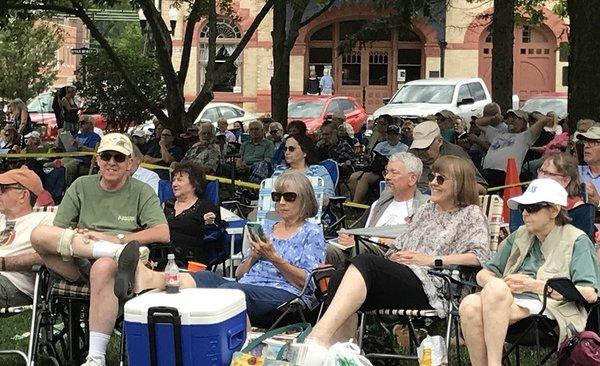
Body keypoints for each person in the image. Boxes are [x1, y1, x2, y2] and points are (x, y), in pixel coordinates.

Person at [308, 155, 491, 348]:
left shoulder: (471, 214)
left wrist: (430, 260)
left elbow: (479, 257)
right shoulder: (426, 210)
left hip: (433, 285)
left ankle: (317, 337)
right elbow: (401, 243)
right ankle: (340, 351)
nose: (433, 183)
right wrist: (395, 253)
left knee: (366, 263)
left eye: (440, 179)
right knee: (339, 276)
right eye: (432, 177)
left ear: (460, 184)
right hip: (404, 275)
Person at [30, 133, 169, 366]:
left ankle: (96, 357)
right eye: (106, 156)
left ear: (130, 164)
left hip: (118, 270)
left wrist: (117, 239)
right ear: (97, 159)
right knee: (38, 234)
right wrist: (90, 242)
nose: (112, 162)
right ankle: (109, 250)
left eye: (119, 157)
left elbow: (162, 232)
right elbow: (58, 231)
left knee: (104, 265)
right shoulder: (81, 185)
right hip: (78, 260)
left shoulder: (142, 191)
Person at [116, 171, 326, 323]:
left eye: (289, 197)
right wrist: (254, 255)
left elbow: (306, 284)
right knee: (205, 277)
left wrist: (274, 258)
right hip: (249, 285)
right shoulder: (268, 227)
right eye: (276, 196)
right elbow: (240, 273)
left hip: (286, 293)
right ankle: (148, 278)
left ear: (304, 200)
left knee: (228, 292)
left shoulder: (311, 232)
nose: (281, 202)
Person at [459, 179, 599, 366]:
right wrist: (498, 284)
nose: (524, 213)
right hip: (505, 299)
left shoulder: (577, 241)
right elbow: (483, 274)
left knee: (478, 303)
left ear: (554, 210)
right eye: (522, 208)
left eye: (532, 208)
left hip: (551, 309)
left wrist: (534, 286)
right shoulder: (520, 235)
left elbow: (590, 293)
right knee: (470, 304)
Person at [326, 152, 429, 268]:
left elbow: (423, 244)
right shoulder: (378, 204)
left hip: (391, 259)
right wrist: (349, 236)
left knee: (362, 252)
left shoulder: (424, 207)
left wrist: (395, 243)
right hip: (362, 249)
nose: (387, 177)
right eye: (386, 171)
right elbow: (363, 232)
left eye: (394, 173)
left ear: (412, 179)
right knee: (327, 251)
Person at [0, 168, 54, 314]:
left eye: (3, 189)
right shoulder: (1, 218)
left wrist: (4, 263)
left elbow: (49, 256)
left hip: (14, 285)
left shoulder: (45, 220)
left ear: (23, 195)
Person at [477, 109, 555, 193]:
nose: (511, 120)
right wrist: (494, 118)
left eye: (515, 118)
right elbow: (478, 122)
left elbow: (544, 120)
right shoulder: (497, 134)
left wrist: (531, 114)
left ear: (524, 122)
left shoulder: (526, 136)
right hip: (487, 172)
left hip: (506, 175)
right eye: (509, 117)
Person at [164, 162, 223, 263]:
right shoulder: (166, 205)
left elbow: (217, 230)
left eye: (179, 180)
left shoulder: (205, 207)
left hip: (190, 259)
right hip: (162, 254)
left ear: (194, 184)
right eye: (173, 180)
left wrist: (209, 223)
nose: (174, 184)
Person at [409, 121, 488, 194]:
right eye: (417, 148)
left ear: (440, 141)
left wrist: (451, 188)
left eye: (426, 147)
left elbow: (481, 188)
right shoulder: (412, 154)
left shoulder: (456, 155)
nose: (420, 152)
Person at [349, 124, 408, 203]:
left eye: (394, 134)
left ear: (399, 135)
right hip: (374, 168)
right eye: (389, 134)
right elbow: (372, 158)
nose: (391, 136)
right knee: (353, 176)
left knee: (365, 177)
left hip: (388, 171)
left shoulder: (404, 148)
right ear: (386, 134)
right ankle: (358, 202)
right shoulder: (380, 145)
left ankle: (355, 203)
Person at [272, 134, 335, 200]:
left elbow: (328, 196)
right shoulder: (279, 170)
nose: (286, 153)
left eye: (291, 149)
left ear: (305, 152)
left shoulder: (318, 171)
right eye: (285, 149)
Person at [60, 115, 101, 186]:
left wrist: (80, 146)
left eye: (82, 122)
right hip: (71, 156)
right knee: (55, 164)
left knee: (68, 167)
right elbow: (67, 148)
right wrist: (61, 138)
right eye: (79, 123)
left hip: (83, 161)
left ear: (90, 124)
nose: (80, 125)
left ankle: (67, 187)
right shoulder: (77, 135)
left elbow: (93, 151)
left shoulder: (95, 137)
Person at [574, 126, 600, 208]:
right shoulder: (574, 173)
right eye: (585, 142)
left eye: (593, 142)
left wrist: (598, 203)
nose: (586, 146)